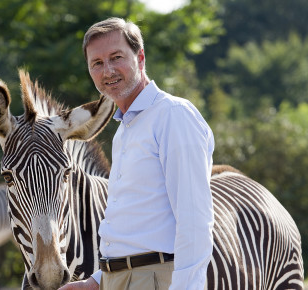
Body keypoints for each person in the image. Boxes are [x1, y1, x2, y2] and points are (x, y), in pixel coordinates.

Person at [60, 17, 215, 290]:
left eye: (116, 57)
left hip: (154, 278)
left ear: (140, 58)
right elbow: (134, 225)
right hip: (117, 279)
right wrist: (96, 281)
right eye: (97, 63)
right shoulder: (125, 129)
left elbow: (195, 220)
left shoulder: (172, 115)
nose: (107, 71)